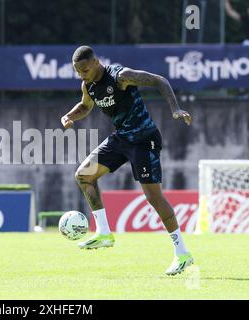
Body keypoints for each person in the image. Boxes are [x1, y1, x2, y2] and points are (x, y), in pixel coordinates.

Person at [61, 46, 194, 276]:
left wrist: (175, 109)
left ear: (95, 62)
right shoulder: (88, 85)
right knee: (84, 175)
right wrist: (69, 115)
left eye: (83, 69)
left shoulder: (120, 77)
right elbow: (85, 105)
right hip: (122, 138)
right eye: (78, 71)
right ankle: (104, 233)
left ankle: (182, 253)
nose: (81, 75)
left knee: (154, 197)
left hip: (144, 140)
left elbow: (159, 80)